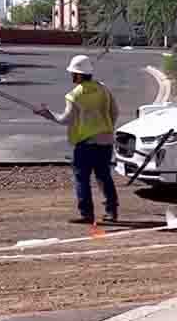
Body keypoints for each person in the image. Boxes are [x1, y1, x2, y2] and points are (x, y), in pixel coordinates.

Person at [34, 54, 120, 223]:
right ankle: (111, 211)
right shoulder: (103, 89)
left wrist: (47, 114)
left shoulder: (75, 95)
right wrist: (106, 128)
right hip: (106, 141)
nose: (71, 76)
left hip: (86, 143)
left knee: (82, 178)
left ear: (79, 74)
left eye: (73, 73)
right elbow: (114, 112)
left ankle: (87, 214)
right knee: (104, 176)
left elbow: (65, 120)